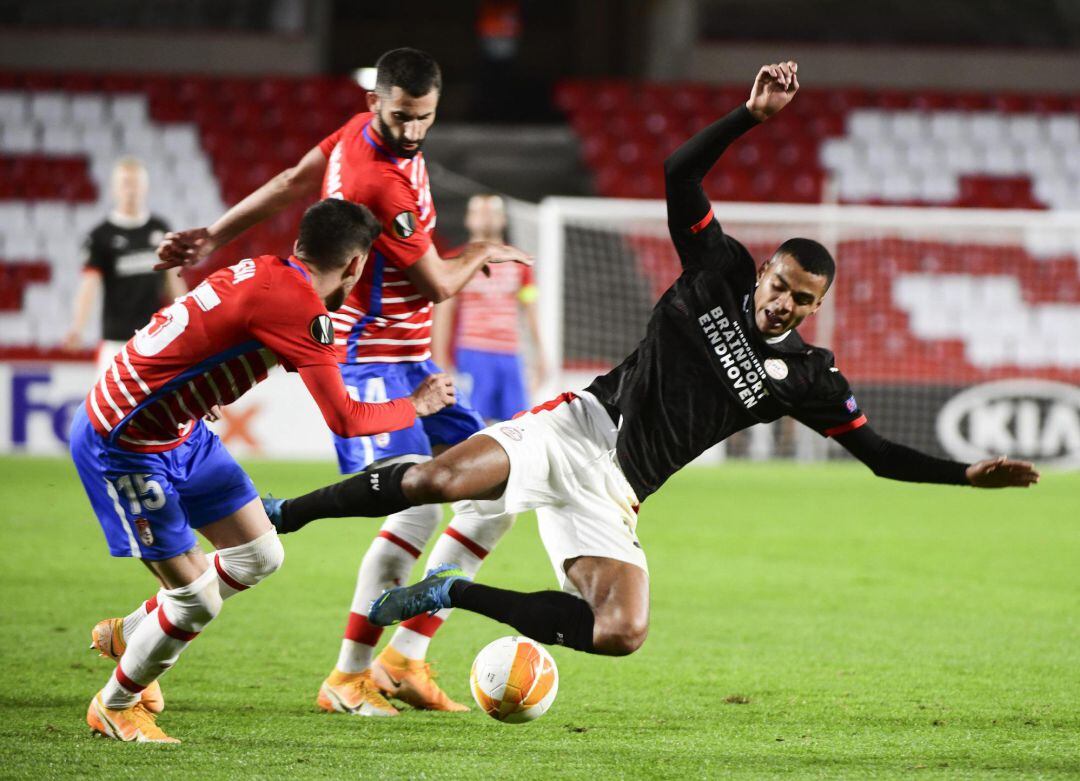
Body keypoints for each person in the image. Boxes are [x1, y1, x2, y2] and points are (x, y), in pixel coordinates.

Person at [265, 62, 1040, 659]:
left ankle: (453, 593)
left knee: (622, 630)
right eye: (778, 285)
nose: (780, 303)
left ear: (814, 308)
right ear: (764, 270)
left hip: (620, 491)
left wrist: (961, 475)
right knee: (437, 478)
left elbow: (877, 456)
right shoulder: (718, 267)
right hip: (577, 427)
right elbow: (679, 174)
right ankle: (283, 514)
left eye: (798, 301)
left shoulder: (809, 376)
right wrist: (750, 117)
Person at [156, 48, 529, 716]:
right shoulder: (375, 176)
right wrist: (482, 250)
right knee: (416, 505)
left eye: (424, 118)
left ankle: (405, 657)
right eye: (401, 116)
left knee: (500, 491)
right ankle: (345, 676)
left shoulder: (359, 136)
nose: (413, 131)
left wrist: (211, 234)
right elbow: (439, 284)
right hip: (369, 360)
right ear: (373, 102)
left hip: (412, 358)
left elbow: (290, 180)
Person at [73, 199, 454, 742]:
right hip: (127, 441)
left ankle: (134, 632)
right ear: (354, 265)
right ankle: (116, 702)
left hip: (181, 429)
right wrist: (415, 406)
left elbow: (186, 327)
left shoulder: (261, 268)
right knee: (195, 600)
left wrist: (187, 387)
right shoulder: (301, 309)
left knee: (259, 554)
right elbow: (346, 418)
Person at [431, 193, 547, 423]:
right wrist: (439, 359)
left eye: (491, 211)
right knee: (474, 423)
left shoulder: (519, 263)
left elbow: (530, 309)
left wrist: (540, 355)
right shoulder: (456, 260)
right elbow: (444, 312)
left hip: (510, 355)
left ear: (503, 219)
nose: (485, 217)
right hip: (473, 351)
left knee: (517, 424)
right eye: (478, 211)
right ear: (468, 219)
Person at [64, 157, 186, 372]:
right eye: (125, 183)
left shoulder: (160, 228)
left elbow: (173, 278)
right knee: (109, 404)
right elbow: (89, 285)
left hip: (154, 338)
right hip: (116, 341)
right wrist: (77, 326)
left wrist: (187, 317)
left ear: (145, 187)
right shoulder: (101, 236)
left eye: (136, 183)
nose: (131, 190)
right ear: (114, 189)